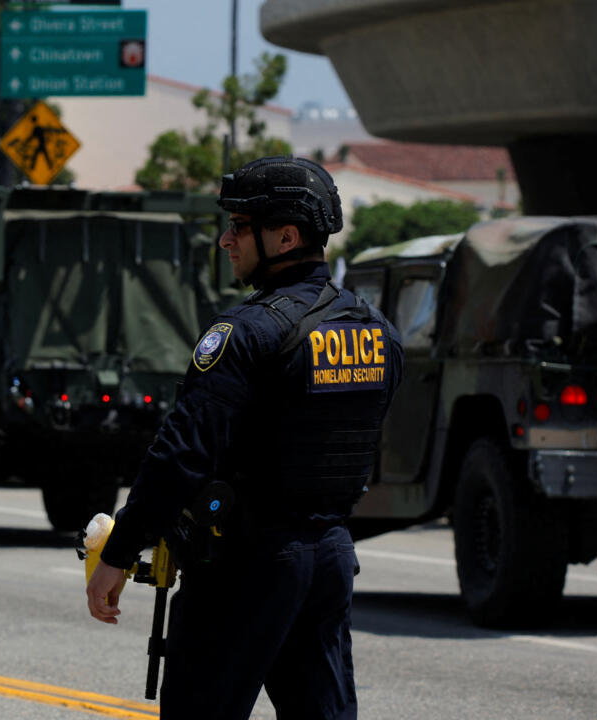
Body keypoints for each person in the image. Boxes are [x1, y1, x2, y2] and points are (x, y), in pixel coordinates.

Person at [85, 156, 403, 720]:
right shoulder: (376, 331)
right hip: (329, 557)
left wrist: (117, 552)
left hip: (248, 563)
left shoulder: (247, 332)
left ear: (286, 236)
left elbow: (181, 454)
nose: (226, 239)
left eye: (240, 225)